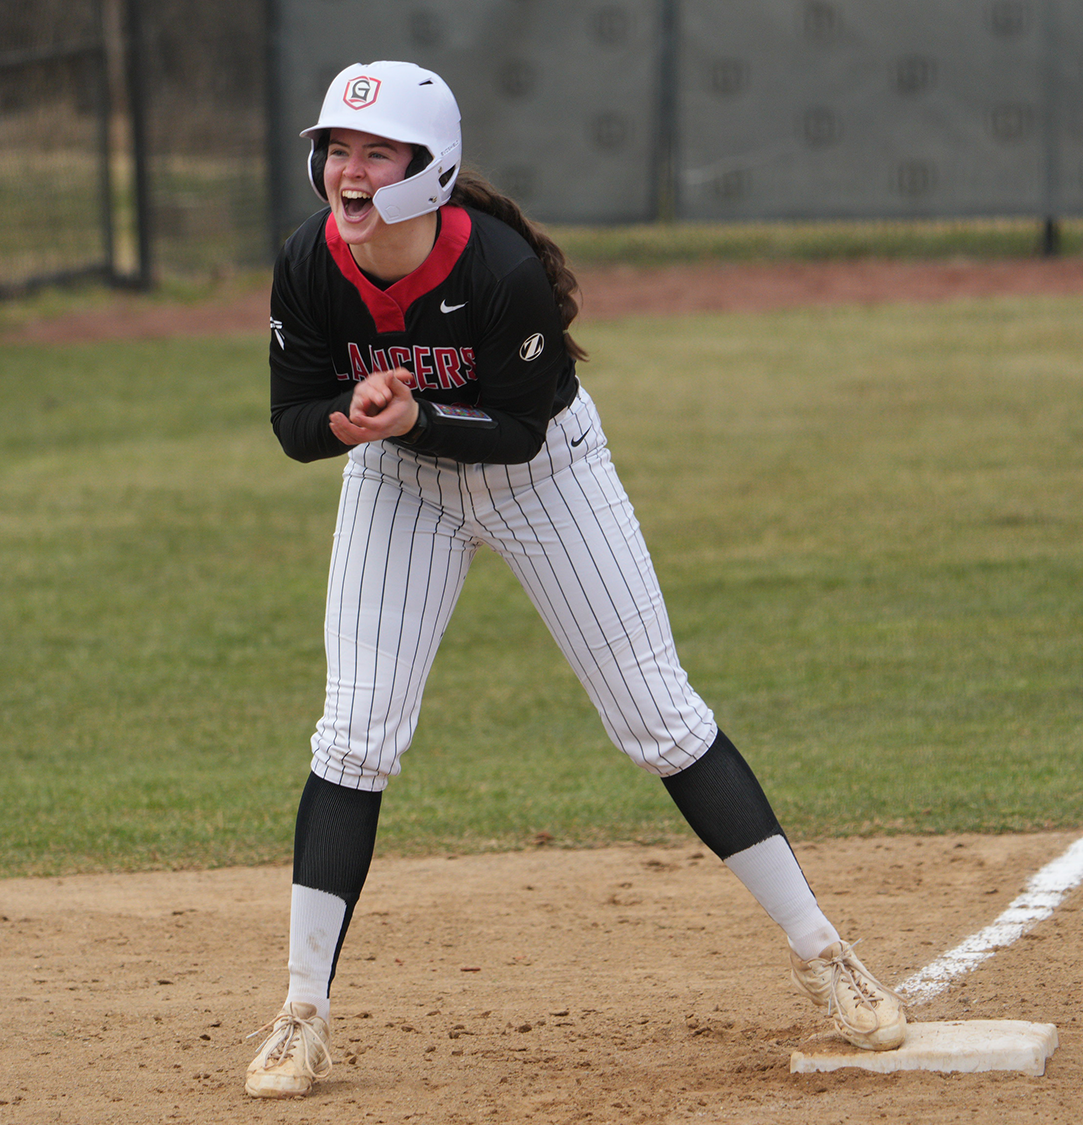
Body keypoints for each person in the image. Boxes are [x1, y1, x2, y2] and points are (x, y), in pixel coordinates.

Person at [244, 60, 905, 1099]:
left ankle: (826, 954)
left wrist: (413, 413)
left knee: (659, 719)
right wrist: (348, 421)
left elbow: (509, 435)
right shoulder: (309, 262)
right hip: (399, 482)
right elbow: (290, 425)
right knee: (354, 734)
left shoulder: (499, 271)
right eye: (335, 148)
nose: (347, 170)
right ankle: (299, 1012)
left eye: (375, 152)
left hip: (543, 472)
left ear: (428, 169)